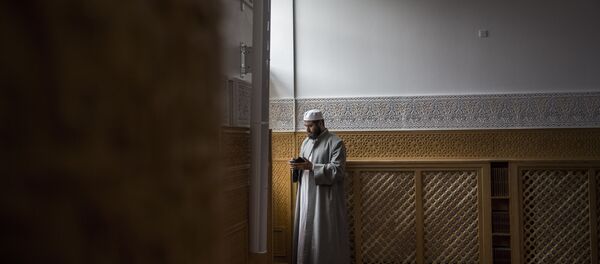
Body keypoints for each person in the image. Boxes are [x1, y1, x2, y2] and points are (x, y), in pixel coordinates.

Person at [289, 109, 350, 264]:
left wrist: (312, 167)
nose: (307, 130)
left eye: (310, 126)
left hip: (323, 197)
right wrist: (295, 166)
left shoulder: (336, 143)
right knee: (305, 230)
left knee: (322, 232)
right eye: (305, 126)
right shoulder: (305, 142)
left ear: (321, 123)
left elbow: (338, 171)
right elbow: (304, 166)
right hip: (305, 194)